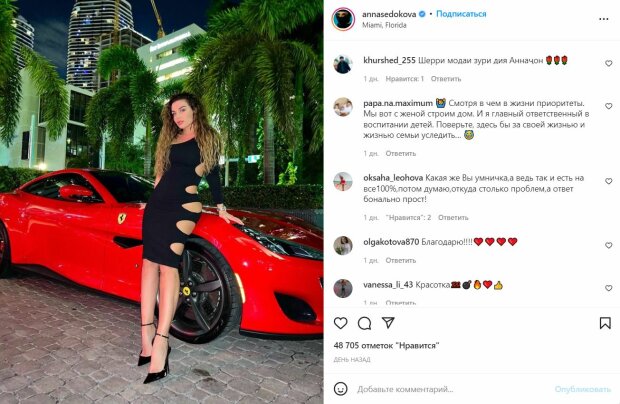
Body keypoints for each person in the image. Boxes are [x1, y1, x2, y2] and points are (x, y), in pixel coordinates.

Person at [139, 92, 243, 384]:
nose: (178, 117)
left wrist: (221, 208)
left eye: (182, 110)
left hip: (184, 207)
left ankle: (162, 342)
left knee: (167, 265)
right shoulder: (170, 139)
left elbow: (213, 175)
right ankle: (146, 335)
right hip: (158, 207)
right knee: (148, 264)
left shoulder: (208, 138)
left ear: (195, 109)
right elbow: (161, 175)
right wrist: (151, 201)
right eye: (173, 113)